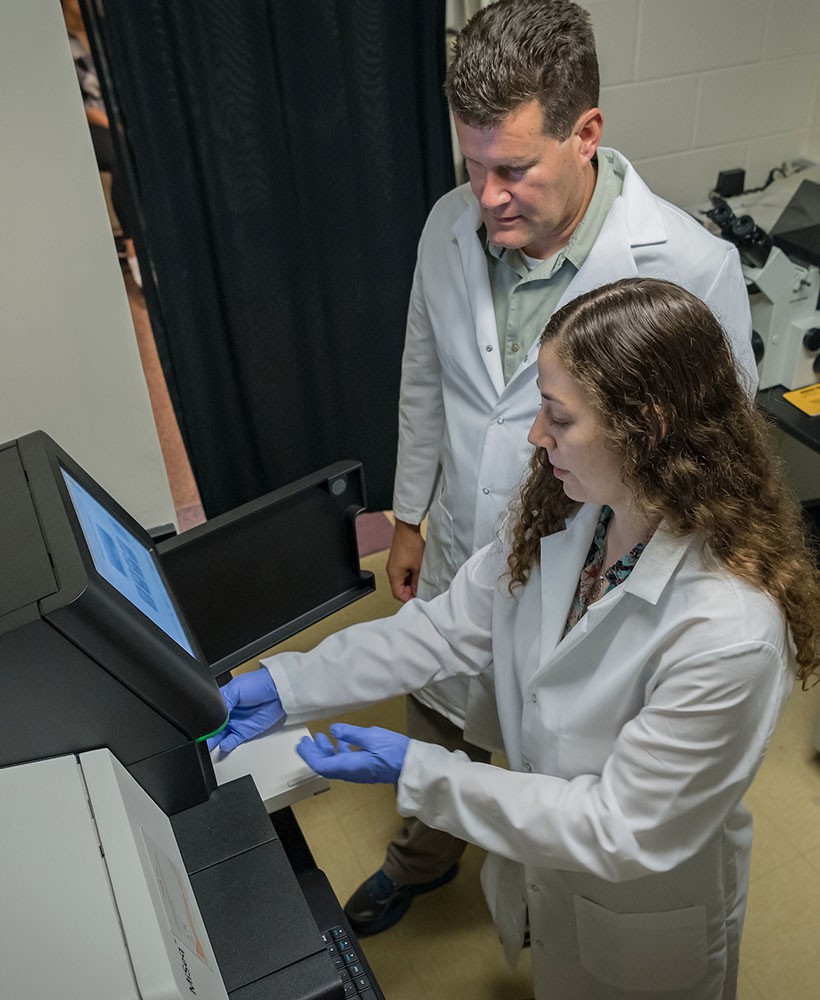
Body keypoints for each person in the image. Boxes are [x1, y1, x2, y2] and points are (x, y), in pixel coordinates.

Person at [211, 277, 820, 1000]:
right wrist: (286, 686)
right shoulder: (569, 513)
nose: (536, 435)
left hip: (642, 909)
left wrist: (421, 771)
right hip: (553, 870)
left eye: (558, 418)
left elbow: (617, 828)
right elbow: (444, 630)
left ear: (648, 426)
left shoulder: (728, 631)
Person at [372, 0, 759, 937]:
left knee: (563, 761)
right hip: (468, 529)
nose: (486, 195)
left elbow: (717, 454)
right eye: (472, 167)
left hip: (592, 572)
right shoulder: (447, 228)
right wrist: (410, 515)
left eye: (513, 169)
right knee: (443, 705)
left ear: (586, 134)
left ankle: (546, 903)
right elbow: (424, 375)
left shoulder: (691, 267)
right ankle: (418, 866)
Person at [61, 0, 142, 287]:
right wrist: (116, 125)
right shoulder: (61, 41)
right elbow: (78, 101)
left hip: (122, 118)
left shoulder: (104, 31)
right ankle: (134, 247)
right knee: (122, 151)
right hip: (91, 124)